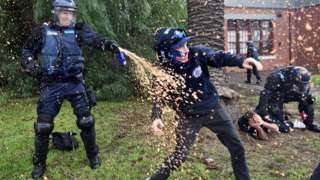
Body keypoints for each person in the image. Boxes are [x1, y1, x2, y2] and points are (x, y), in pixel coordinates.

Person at [21, 0, 126, 178]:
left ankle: (93, 156)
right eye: (63, 12)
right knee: (43, 126)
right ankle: (39, 164)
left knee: (86, 121)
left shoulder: (78, 30)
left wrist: (110, 45)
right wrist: (29, 63)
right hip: (51, 84)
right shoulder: (42, 31)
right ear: (55, 13)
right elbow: (27, 51)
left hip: (75, 83)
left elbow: (96, 40)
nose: (67, 16)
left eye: (70, 13)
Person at [148, 27, 263, 180]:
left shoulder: (196, 53)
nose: (186, 50)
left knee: (237, 148)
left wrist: (240, 61)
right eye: (179, 47)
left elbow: (217, 57)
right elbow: (158, 96)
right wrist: (156, 117)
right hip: (188, 117)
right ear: (166, 52)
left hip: (213, 110)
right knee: (180, 156)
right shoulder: (163, 71)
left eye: (186, 45)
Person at [253, 66, 320, 134]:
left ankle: (309, 124)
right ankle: (285, 121)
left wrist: (308, 101)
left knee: (308, 101)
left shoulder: (303, 83)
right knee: (280, 124)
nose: (303, 87)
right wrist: (264, 112)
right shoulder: (276, 77)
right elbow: (265, 95)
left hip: (291, 93)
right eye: (300, 85)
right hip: (277, 96)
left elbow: (304, 97)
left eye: (304, 85)